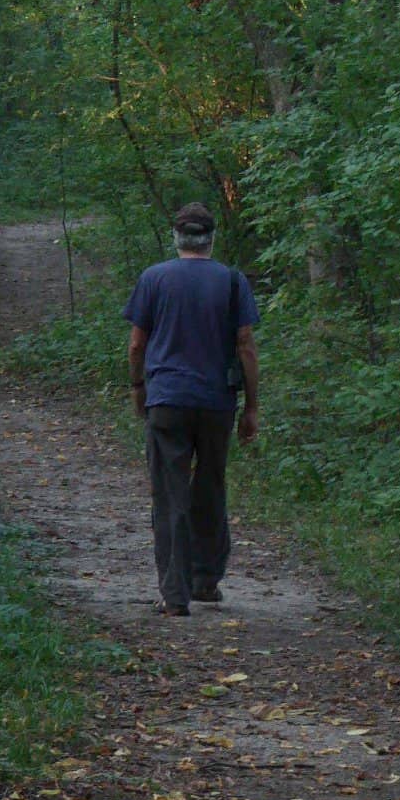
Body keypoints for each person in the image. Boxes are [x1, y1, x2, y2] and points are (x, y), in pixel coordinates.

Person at [123, 202, 260, 616]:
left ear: (176, 237)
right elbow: (246, 346)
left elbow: (136, 343)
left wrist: (136, 386)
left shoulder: (154, 278)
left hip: (166, 399)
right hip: (217, 403)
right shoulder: (233, 282)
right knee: (211, 487)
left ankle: (175, 593)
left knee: (170, 495)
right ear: (211, 239)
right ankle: (206, 580)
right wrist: (252, 407)